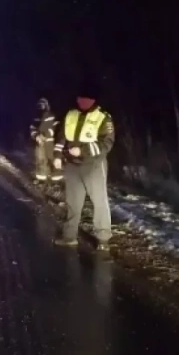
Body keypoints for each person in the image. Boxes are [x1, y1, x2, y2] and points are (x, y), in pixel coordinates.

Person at [53, 81, 115, 251]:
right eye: (80, 98)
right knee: (73, 201)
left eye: (85, 98)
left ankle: (103, 239)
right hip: (72, 166)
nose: (82, 101)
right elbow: (61, 138)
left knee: (99, 202)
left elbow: (106, 143)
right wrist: (58, 156)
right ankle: (70, 236)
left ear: (93, 99)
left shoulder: (103, 117)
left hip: (93, 165)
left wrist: (82, 151)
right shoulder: (70, 114)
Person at [30, 97, 61, 187]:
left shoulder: (52, 116)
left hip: (50, 142)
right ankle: (41, 179)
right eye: (40, 105)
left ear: (47, 105)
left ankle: (56, 180)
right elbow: (32, 129)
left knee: (53, 159)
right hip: (39, 142)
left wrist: (47, 135)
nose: (41, 106)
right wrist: (36, 136)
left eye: (43, 104)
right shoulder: (36, 118)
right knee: (40, 160)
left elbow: (57, 129)